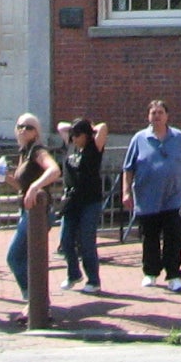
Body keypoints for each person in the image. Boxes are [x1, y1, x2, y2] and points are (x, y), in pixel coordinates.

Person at [121, 100, 181, 292]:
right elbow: (128, 168)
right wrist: (126, 192)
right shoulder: (139, 138)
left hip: (172, 197)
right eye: (153, 113)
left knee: (173, 236)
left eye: (160, 112)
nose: (157, 116)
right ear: (148, 116)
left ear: (167, 116)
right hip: (147, 197)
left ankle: (174, 275)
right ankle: (150, 272)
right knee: (150, 237)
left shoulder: (178, 137)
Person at [1, 113, 60, 313]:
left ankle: (36, 302)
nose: (23, 130)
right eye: (20, 126)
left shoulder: (37, 150)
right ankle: (35, 302)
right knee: (26, 258)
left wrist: (35, 187)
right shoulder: (24, 152)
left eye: (28, 127)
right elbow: (21, 186)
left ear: (36, 132)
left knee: (15, 256)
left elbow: (54, 170)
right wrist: (7, 178)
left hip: (39, 212)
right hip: (26, 210)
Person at [54, 116, 110, 294]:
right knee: (66, 240)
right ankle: (73, 274)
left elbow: (104, 126)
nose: (74, 137)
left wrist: (91, 128)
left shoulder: (94, 148)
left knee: (87, 241)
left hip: (90, 202)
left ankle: (93, 280)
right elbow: (60, 126)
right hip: (71, 201)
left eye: (78, 134)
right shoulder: (71, 146)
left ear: (87, 135)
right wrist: (73, 128)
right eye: (73, 134)